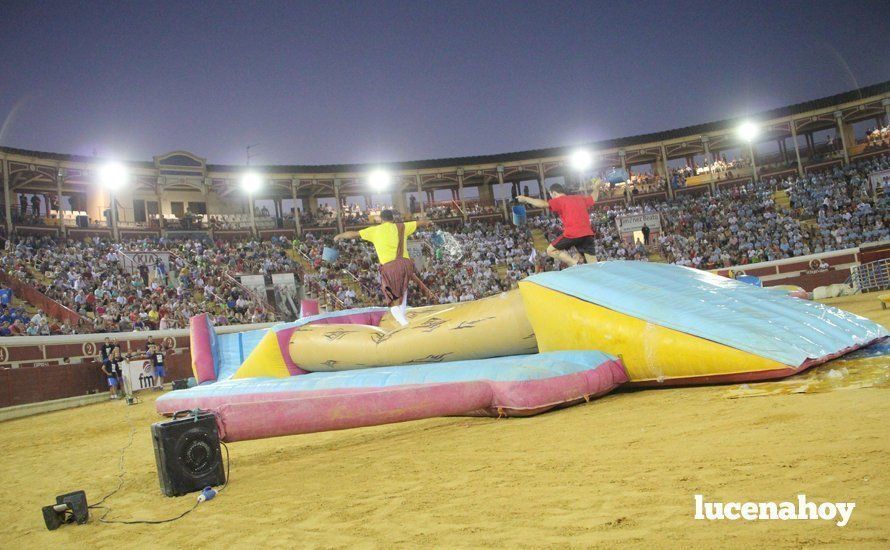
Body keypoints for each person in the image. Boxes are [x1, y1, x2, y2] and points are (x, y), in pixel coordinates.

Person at [333, 210, 433, 326]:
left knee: (392, 300)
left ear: (381, 219)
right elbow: (419, 222)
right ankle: (403, 321)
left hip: (390, 268)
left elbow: (353, 234)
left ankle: (405, 325)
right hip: (406, 265)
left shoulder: (375, 230)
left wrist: (339, 236)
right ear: (393, 218)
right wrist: (428, 222)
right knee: (403, 293)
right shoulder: (402, 226)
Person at [517, 181, 602, 267]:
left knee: (550, 251)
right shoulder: (579, 197)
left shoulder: (559, 200)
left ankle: (574, 263)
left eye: (551, 195)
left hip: (572, 234)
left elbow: (543, 204)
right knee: (593, 265)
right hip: (587, 234)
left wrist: (525, 199)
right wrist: (597, 187)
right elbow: (593, 198)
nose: (551, 198)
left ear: (553, 193)